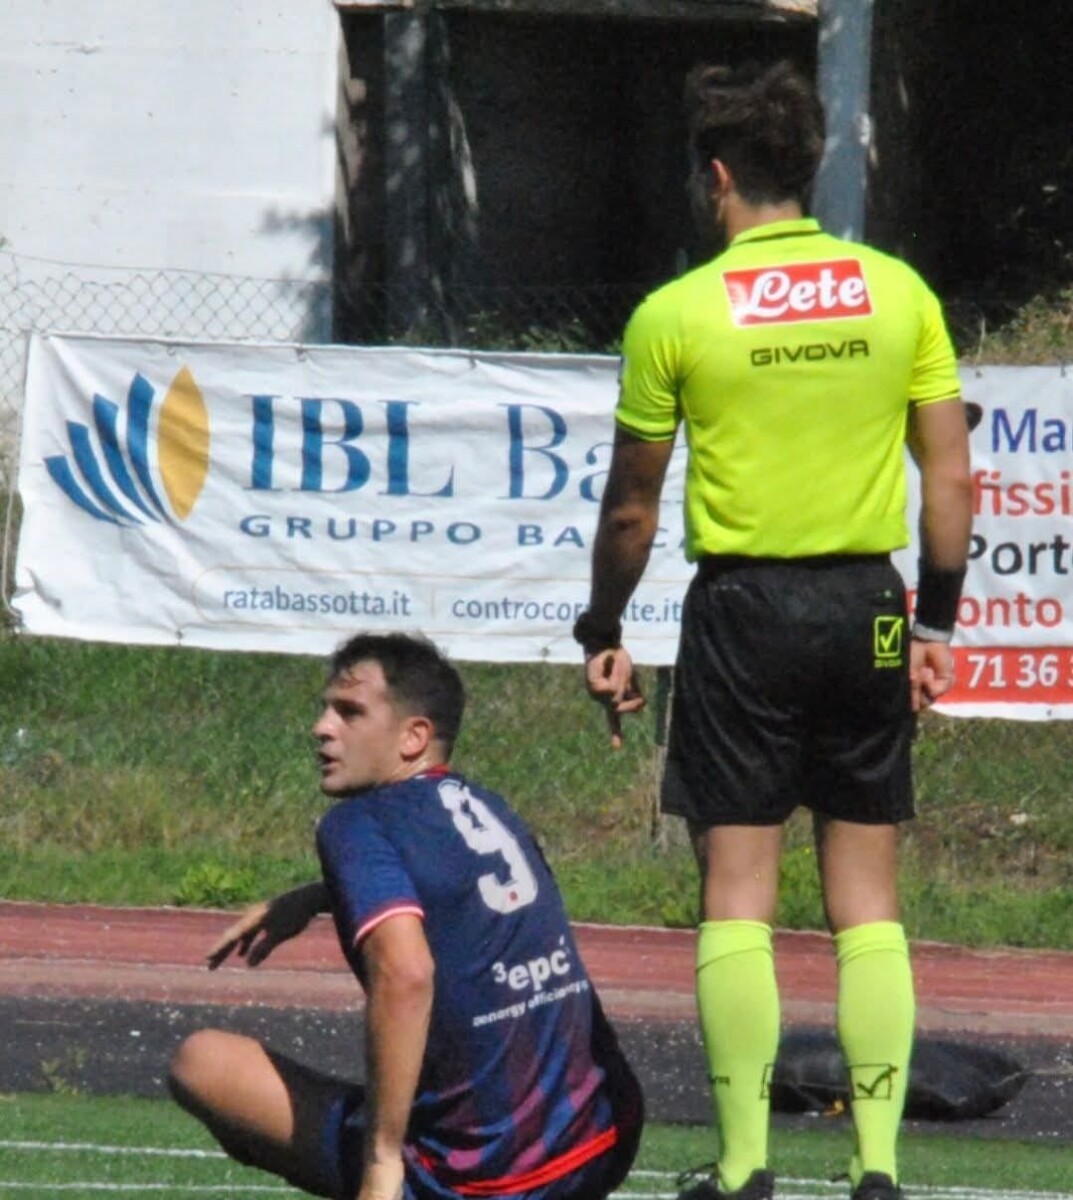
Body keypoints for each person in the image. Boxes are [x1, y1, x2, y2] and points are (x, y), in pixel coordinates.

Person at [572, 60, 973, 1200]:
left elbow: (633, 507)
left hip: (743, 612)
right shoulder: (896, 292)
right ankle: (879, 1165)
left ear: (715, 177)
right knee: (867, 900)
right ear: (809, 169)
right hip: (866, 607)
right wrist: (932, 620)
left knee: (736, 895)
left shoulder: (677, 312)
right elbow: (947, 477)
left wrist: (601, 622)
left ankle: (745, 1166)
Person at [168, 631, 643, 1200]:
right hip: (602, 1140)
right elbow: (464, 889)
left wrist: (382, 1160)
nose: (322, 727)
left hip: (486, 1178)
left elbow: (406, 973)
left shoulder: (356, 824)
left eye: (349, 712)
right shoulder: (491, 807)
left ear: (414, 736)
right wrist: (317, 896)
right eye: (326, 709)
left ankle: (396, 1166)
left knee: (201, 1062)